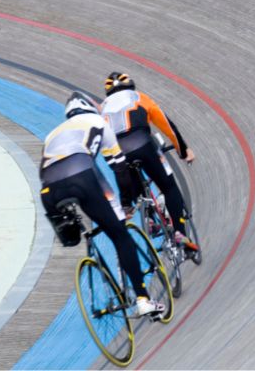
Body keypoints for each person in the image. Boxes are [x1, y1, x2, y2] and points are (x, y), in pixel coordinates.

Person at [39, 91, 166, 318]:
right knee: (120, 236)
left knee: (73, 236)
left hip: (49, 192)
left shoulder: (52, 134)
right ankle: (142, 299)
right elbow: (119, 168)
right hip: (82, 177)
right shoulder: (99, 122)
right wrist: (125, 203)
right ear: (90, 107)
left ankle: (84, 248)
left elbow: (45, 170)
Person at [100, 72, 199, 253]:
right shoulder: (140, 97)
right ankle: (180, 234)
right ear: (130, 85)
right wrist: (183, 151)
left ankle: (151, 221)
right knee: (169, 187)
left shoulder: (102, 109)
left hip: (119, 154)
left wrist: (124, 196)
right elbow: (167, 127)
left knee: (134, 186)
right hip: (144, 145)